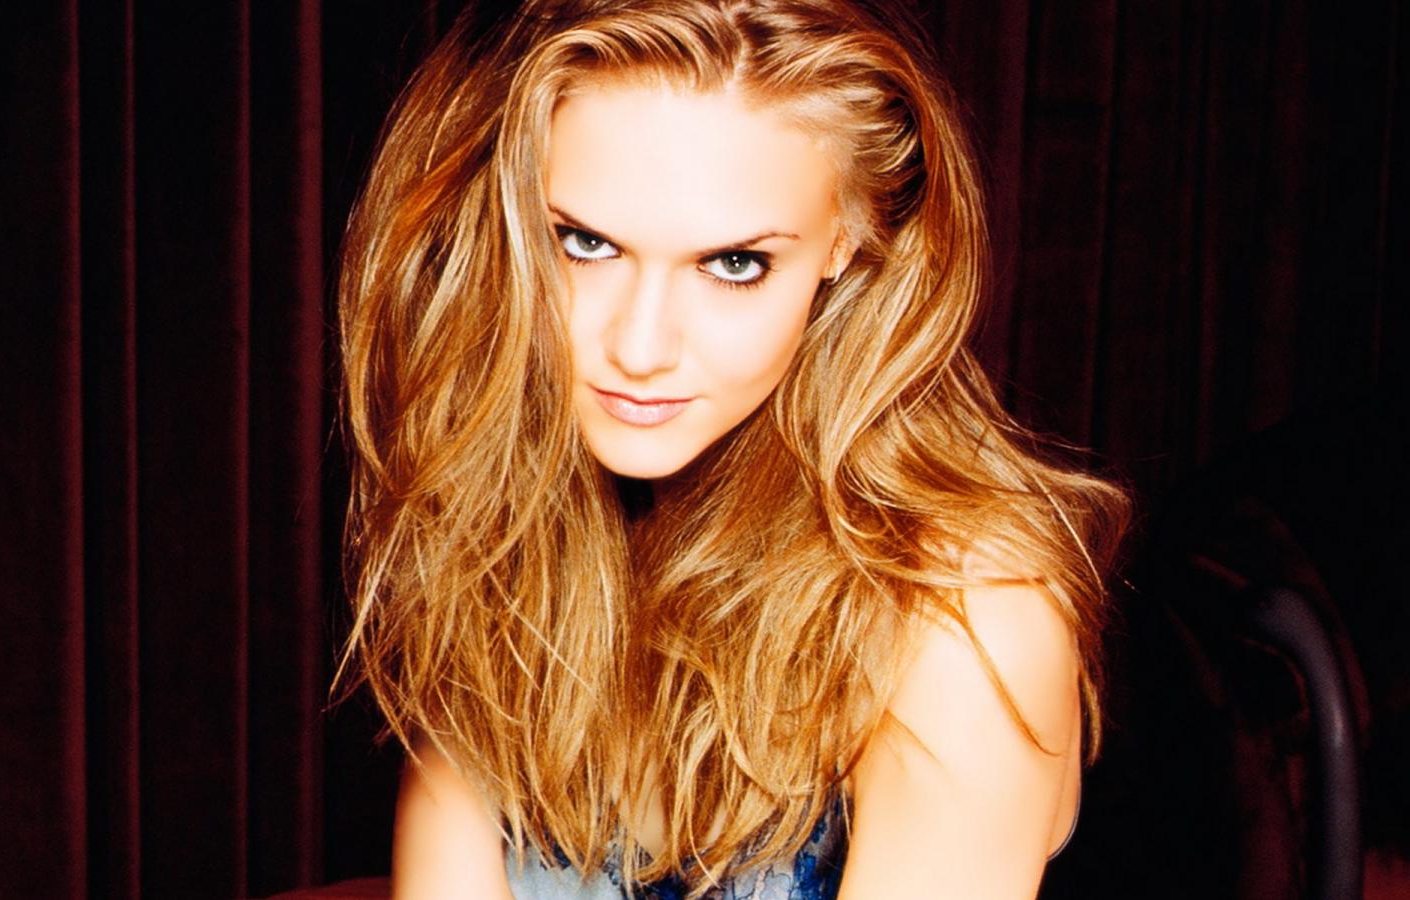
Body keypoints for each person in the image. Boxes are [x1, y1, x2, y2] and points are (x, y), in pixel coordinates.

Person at [335, 1, 1129, 897]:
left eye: (734, 264)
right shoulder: (518, 512)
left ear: (848, 240)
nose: (640, 348)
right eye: (584, 244)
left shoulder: (960, 622)